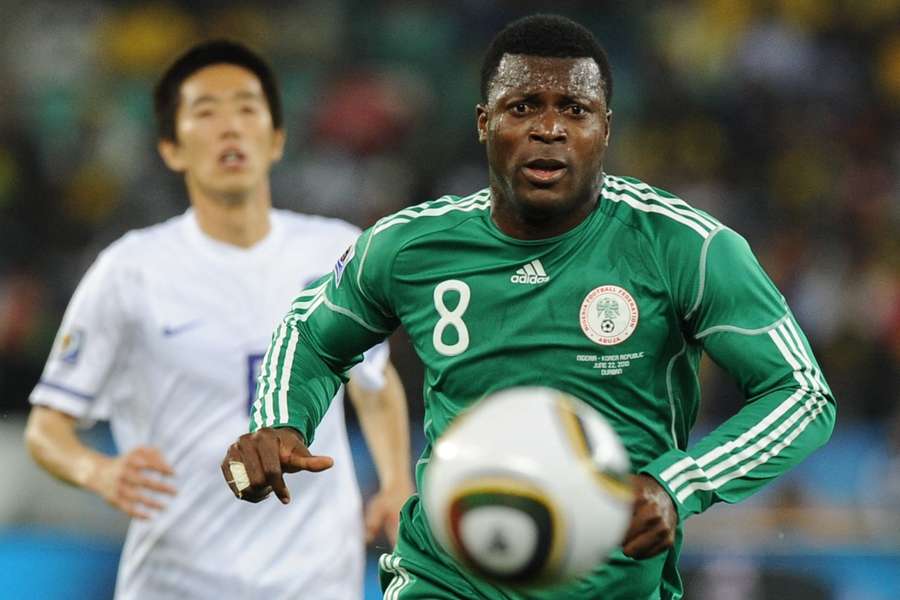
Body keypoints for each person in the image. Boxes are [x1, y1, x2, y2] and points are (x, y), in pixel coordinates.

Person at [221, 14, 836, 600]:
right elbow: (312, 331)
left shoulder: (686, 247)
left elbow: (801, 393)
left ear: (606, 128)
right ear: (484, 123)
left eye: (575, 109)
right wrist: (278, 420)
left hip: (612, 587)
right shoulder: (410, 246)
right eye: (524, 108)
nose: (550, 128)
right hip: (445, 580)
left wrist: (679, 484)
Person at [24, 40, 414, 599]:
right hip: (178, 579)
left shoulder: (336, 253)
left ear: (276, 138)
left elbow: (375, 385)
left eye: (248, 109)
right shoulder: (130, 270)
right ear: (170, 146)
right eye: (206, 112)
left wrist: (396, 481)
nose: (229, 128)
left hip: (317, 576)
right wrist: (99, 473)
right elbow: (47, 427)